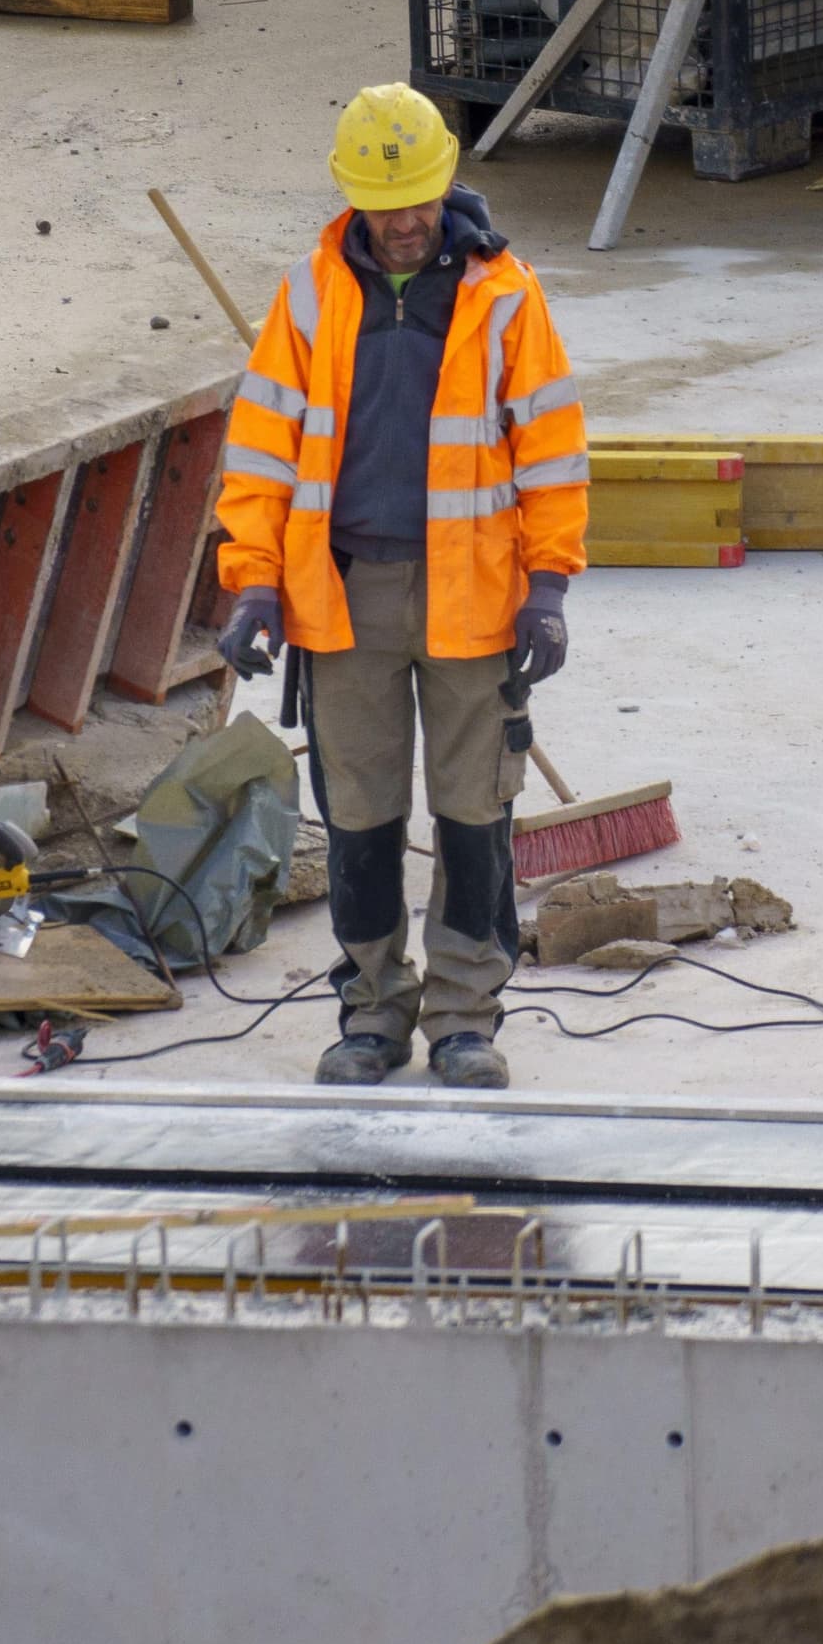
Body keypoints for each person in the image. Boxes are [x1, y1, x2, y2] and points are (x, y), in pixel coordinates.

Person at [212, 84, 588, 1091]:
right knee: (363, 822)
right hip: (343, 599)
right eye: (388, 203)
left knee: (475, 818)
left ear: (449, 178)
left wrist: (548, 585)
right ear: (354, 198)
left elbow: (550, 448)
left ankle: (465, 1019)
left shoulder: (506, 294)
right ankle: (371, 1015)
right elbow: (259, 454)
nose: (407, 220)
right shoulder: (306, 296)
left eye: (421, 197)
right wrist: (252, 586)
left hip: (475, 594)